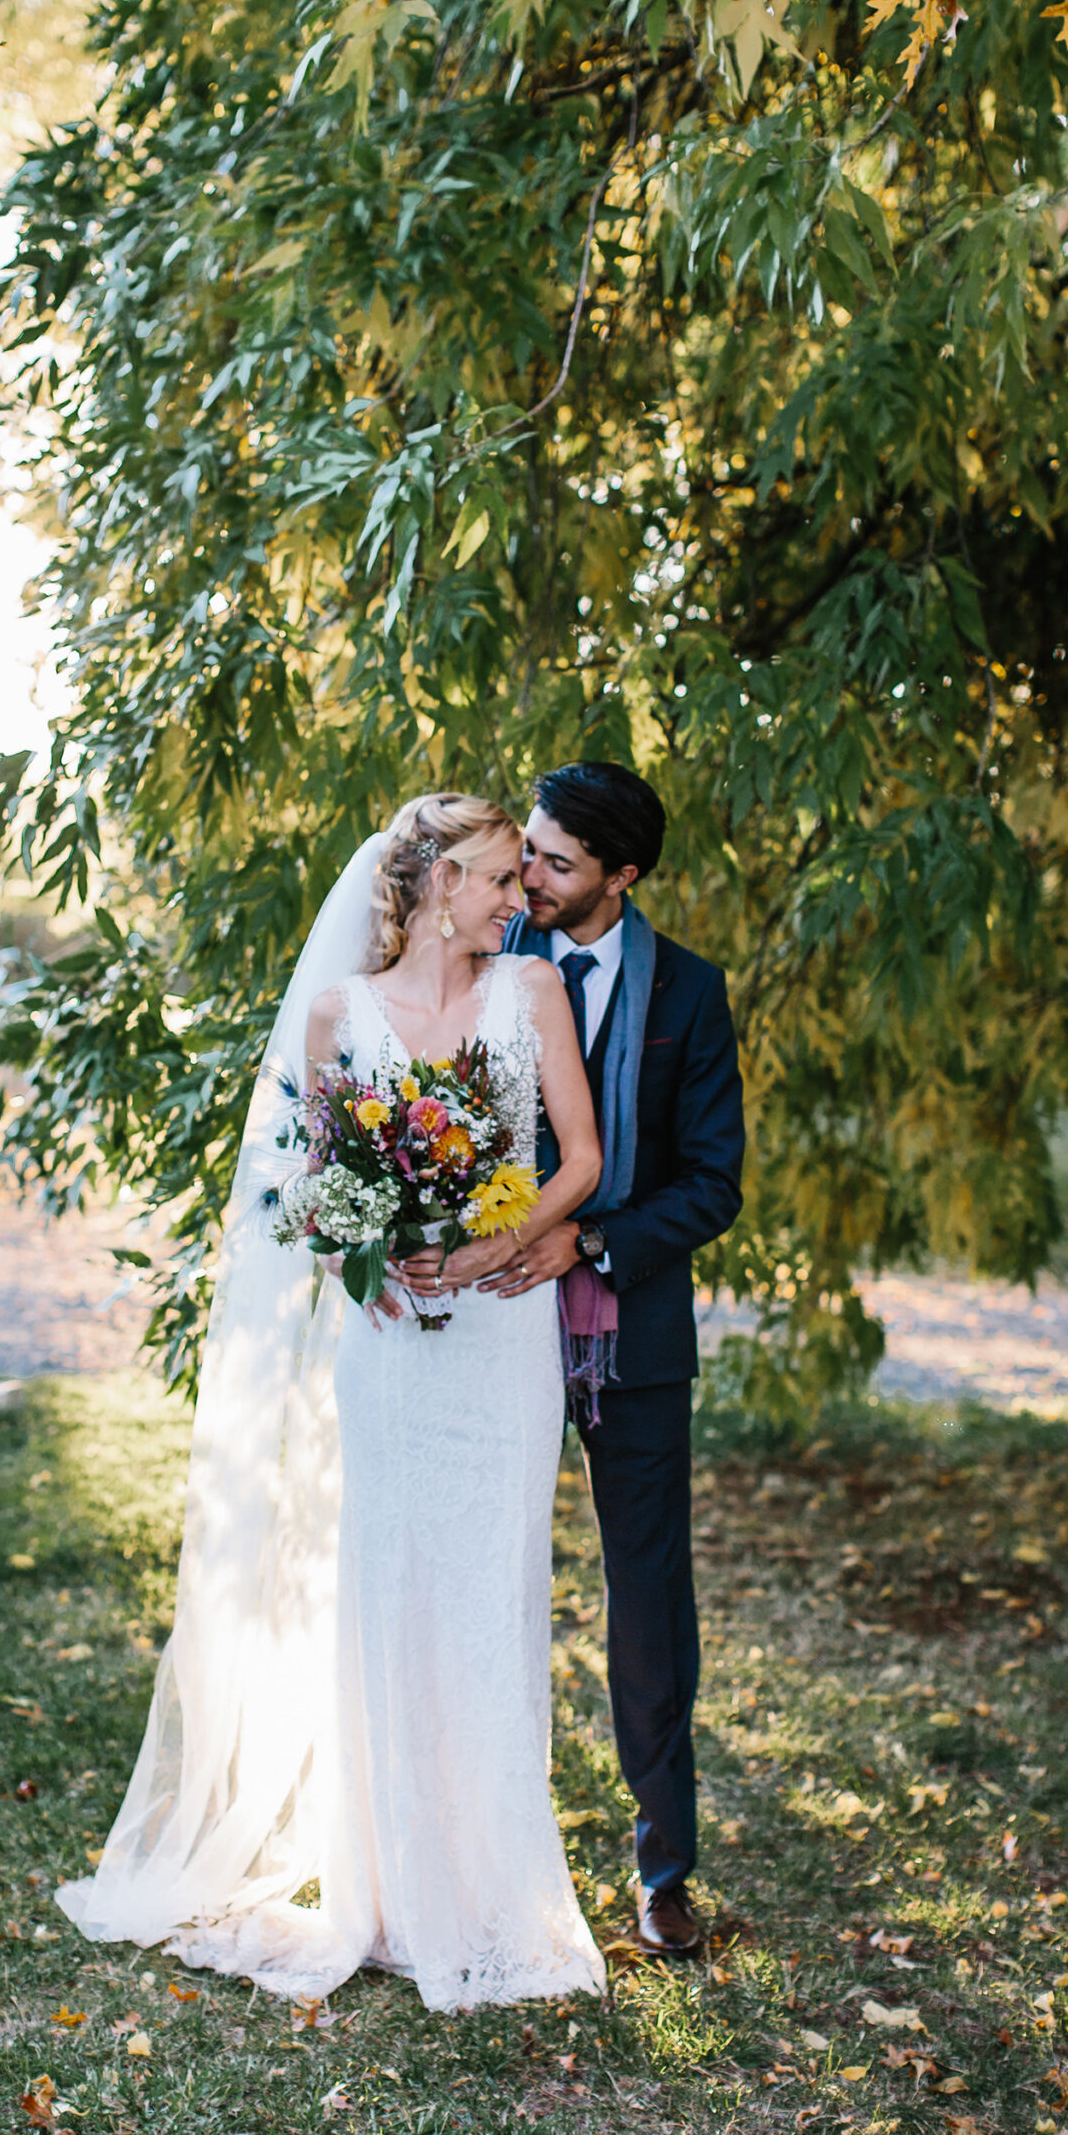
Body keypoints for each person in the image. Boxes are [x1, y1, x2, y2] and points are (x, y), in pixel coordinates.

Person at [58, 793, 608, 2012]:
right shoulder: (333, 1017)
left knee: (494, 1587)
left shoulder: (532, 997)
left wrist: (478, 1246)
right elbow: (309, 1193)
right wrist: (365, 1262)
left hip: (501, 1333)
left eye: (523, 880)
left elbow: (581, 1160)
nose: (518, 899)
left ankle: (495, 1891)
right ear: (429, 884)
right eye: (497, 878)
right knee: (396, 1588)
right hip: (395, 1349)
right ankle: (388, 1889)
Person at [400, 762, 745, 1959]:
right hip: (487, 1332)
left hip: (630, 1337)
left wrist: (584, 1238)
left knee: (648, 1599)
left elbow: (714, 1183)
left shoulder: (689, 993)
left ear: (622, 875)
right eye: (526, 854)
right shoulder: (481, 966)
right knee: (469, 1577)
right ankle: (453, 1848)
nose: (531, 876)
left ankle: (663, 1869)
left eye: (554, 861)